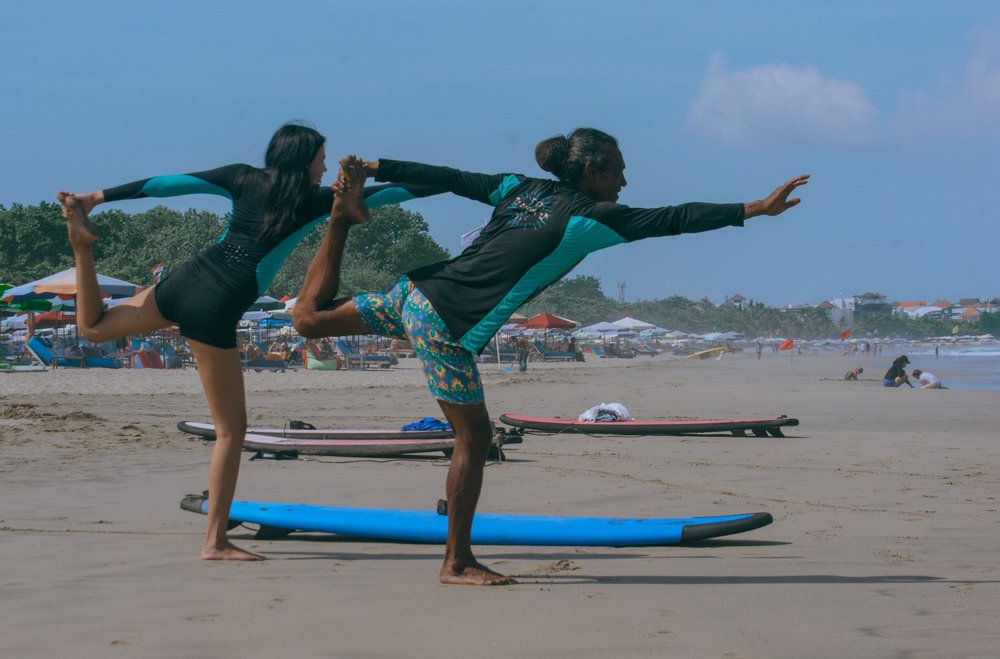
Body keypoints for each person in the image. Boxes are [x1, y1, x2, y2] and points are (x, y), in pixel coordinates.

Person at [293, 129, 809, 585]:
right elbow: (674, 218)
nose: (625, 182)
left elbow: (449, 176)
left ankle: (340, 220)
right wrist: (755, 209)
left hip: (413, 293)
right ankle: (456, 562)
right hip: (446, 324)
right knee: (473, 438)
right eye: (619, 171)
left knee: (308, 320)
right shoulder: (590, 218)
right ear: (592, 170)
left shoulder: (518, 186)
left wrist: (379, 167)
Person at [55, 123, 439, 561]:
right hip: (216, 303)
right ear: (304, 159)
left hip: (188, 278)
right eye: (321, 158)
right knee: (231, 431)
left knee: (94, 328)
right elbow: (402, 192)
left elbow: (164, 185)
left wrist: (95, 198)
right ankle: (215, 542)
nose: (326, 166)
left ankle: (81, 248)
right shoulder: (318, 201)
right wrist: (457, 183)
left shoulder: (241, 176)